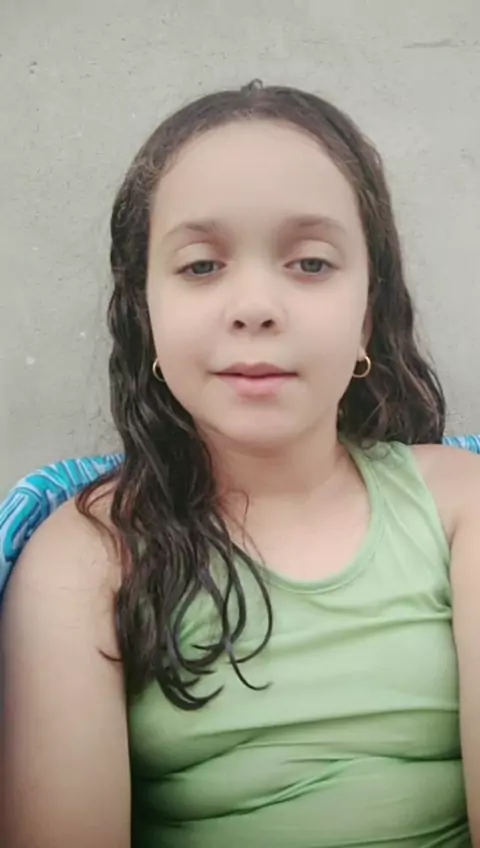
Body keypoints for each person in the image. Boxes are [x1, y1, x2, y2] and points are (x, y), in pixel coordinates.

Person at [1, 81, 479, 848]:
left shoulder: (463, 507)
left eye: (311, 263)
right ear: (144, 313)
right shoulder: (87, 557)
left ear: (368, 312)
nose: (255, 306)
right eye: (201, 266)